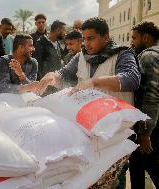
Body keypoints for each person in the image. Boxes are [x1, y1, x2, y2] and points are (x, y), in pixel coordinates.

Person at [31, 17, 141, 188]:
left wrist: (96, 82)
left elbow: (132, 79)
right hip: (89, 126)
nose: (86, 44)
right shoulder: (81, 56)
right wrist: (53, 76)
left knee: (114, 175)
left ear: (106, 37)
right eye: (84, 38)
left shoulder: (122, 54)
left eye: (91, 38)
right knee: (93, 174)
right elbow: (65, 73)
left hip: (115, 129)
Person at [129, 21, 159, 189]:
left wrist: (145, 131)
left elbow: (151, 96)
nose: (132, 42)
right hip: (154, 122)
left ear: (146, 37)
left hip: (150, 126)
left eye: (134, 38)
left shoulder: (149, 56)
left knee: (140, 166)